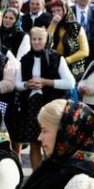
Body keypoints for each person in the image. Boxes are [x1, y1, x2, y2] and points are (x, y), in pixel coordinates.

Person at [15, 26, 77, 169]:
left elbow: (70, 82)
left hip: (50, 104)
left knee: (50, 141)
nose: (36, 42)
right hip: (31, 105)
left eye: (40, 39)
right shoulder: (25, 59)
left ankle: (50, 173)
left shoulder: (57, 57)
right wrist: (26, 84)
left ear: (46, 40)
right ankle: (37, 175)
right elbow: (17, 84)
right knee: (34, 142)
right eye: (34, 39)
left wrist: (45, 82)